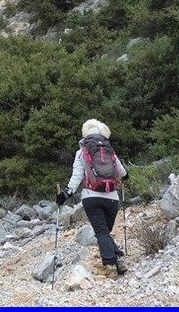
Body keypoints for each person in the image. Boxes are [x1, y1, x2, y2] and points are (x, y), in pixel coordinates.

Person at [56, 118, 128, 278]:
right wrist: (126, 176)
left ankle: (110, 264)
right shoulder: (110, 151)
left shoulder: (81, 152)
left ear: (85, 138)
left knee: (102, 231)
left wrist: (65, 194)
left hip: (91, 197)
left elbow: (76, 178)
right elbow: (123, 173)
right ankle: (118, 261)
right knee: (104, 231)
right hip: (112, 199)